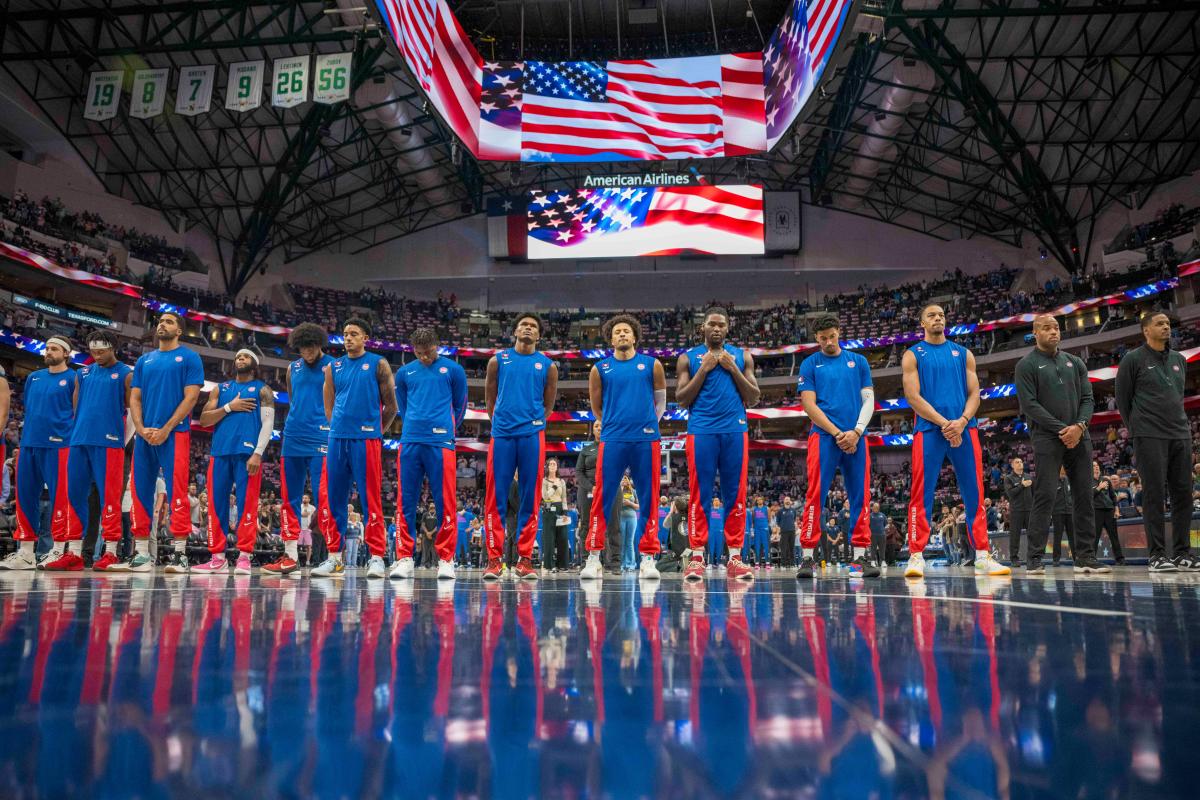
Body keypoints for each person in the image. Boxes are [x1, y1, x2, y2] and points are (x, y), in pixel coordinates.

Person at [902, 305, 1010, 578]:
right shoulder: (913, 354)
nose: (938, 318)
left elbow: (975, 394)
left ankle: (983, 555)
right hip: (929, 429)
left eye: (941, 315)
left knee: (974, 491)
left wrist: (961, 421)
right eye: (931, 315)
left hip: (965, 428)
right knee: (921, 493)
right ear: (922, 322)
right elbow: (913, 397)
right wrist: (944, 423)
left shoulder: (964, 354)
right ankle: (916, 556)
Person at [674, 306, 759, 581]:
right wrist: (705, 369)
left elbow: (754, 396)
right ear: (703, 328)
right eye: (712, 324)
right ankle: (696, 558)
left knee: (736, 493)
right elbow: (682, 399)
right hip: (701, 431)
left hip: (735, 430)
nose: (717, 329)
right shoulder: (688, 358)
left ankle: (735, 557)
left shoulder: (742, 356)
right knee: (700, 493)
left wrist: (732, 368)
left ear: (727, 328)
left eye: (721, 325)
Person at [1015, 314, 1105, 575]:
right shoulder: (1026, 365)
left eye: (1056, 327)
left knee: (1084, 496)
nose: (1054, 332)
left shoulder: (1075, 362)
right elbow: (1030, 405)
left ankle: (1085, 557)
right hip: (1046, 437)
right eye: (1047, 328)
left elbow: (1088, 398)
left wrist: (1079, 426)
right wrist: (1062, 429)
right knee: (1045, 495)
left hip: (1080, 435)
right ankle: (1034, 558)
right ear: (1035, 332)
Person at [580, 314, 665, 581]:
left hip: (646, 438)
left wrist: (648, 424)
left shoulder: (652, 365)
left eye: (626, 331)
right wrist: (614, 425)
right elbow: (597, 408)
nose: (622, 335)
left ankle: (648, 558)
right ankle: (593, 557)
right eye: (617, 331)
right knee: (602, 497)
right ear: (611, 338)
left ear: (635, 336)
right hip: (613, 438)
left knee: (649, 497)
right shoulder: (600, 369)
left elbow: (660, 404)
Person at [796, 315, 880, 579]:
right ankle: (808, 558)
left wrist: (856, 431)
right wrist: (837, 433)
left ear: (839, 332)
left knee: (860, 495)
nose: (829, 341)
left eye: (832, 336)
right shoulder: (810, 364)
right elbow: (809, 405)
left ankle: (859, 559)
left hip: (857, 436)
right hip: (823, 436)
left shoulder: (859, 361)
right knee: (815, 495)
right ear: (816, 338)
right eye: (823, 338)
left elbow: (869, 400)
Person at [313, 317, 398, 578]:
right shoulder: (332, 367)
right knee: (334, 498)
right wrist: (337, 427)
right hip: (338, 438)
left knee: (371, 497)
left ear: (365, 338)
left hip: (367, 439)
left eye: (354, 334)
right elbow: (328, 405)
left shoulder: (378, 363)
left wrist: (375, 432)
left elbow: (392, 406)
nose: (348, 338)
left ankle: (376, 557)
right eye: (345, 333)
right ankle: (334, 557)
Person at [1115, 312, 1197, 572]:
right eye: (1159, 324)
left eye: (1168, 324)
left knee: (1183, 494)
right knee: (1153, 495)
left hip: (1180, 434)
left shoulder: (1178, 360)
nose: (1166, 327)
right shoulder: (1132, 360)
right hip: (1149, 435)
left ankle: (1183, 553)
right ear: (1145, 330)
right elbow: (1122, 399)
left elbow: (1177, 397)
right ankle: (1157, 555)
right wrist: (1137, 428)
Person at [482, 314, 558, 581]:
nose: (528, 328)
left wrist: (533, 422)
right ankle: (494, 560)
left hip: (532, 435)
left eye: (533, 327)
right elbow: (490, 399)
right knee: (495, 498)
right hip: (502, 434)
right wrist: (502, 421)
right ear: (514, 331)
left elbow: (548, 405)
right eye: (524, 325)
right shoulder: (497, 361)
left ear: (538, 336)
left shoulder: (547, 366)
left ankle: (525, 559)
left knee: (530, 497)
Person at [48, 330, 132, 572]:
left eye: (101, 351)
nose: (96, 355)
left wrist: (120, 440)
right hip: (79, 441)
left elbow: (134, 411)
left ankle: (111, 552)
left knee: (110, 497)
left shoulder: (126, 374)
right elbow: (77, 406)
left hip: (109, 443)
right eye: (93, 351)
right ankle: (73, 553)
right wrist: (79, 432)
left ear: (112, 348)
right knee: (74, 496)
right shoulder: (82, 374)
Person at [389, 327, 467, 580]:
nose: (424, 357)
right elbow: (403, 406)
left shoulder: (453, 370)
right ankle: (404, 557)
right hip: (410, 440)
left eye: (429, 352)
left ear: (437, 346)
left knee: (446, 502)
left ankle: (446, 559)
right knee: (405, 501)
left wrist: (445, 429)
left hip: (441, 442)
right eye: (419, 353)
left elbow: (460, 406)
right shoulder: (404, 373)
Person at [127, 312, 203, 572]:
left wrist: (166, 428)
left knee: (177, 490)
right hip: (145, 435)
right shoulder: (144, 360)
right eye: (160, 320)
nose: (162, 323)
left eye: (169, 321)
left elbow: (191, 398)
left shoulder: (190, 357)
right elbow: (134, 398)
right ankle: (141, 554)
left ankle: (180, 555)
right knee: (140, 490)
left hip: (175, 433)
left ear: (179, 330)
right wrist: (140, 428)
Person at [192, 349, 274, 574]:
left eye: (245, 357)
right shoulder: (221, 388)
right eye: (238, 356)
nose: (240, 359)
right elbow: (205, 420)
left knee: (247, 504)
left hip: (248, 454)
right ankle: (217, 557)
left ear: (254, 364)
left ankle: (245, 556)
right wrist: (230, 407)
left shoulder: (262, 390)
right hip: (220, 453)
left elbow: (268, 424)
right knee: (217, 505)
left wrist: (258, 453)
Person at [3, 336, 77, 570]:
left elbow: (77, 412)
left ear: (66, 353)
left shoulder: (74, 378)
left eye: (54, 348)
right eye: (47, 348)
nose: (48, 351)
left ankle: (57, 549)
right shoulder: (34, 378)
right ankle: (25, 552)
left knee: (60, 498)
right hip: (29, 444)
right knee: (25, 498)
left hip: (59, 445)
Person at [269, 322, 334, 575]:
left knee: (324, 497)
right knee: (289, 498)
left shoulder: (333, 367)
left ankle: (334, 554)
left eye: (311, 346)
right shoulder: (292, 368)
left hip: (322, 436)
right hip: (293, 437)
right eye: (302, 347)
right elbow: (294, 400)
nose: (307, 351)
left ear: (319, 344)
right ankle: (290, 555)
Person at [1092, 463, 1125, 565]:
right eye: (1093, 466)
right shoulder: (1088, 481)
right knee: (1095, 536)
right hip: (1097, 511)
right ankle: (1092, 558)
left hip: (1109, 510)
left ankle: (1120, 559)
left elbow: (1113, 496)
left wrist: (1116, 509)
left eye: (1097, 465)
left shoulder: (1106, 480)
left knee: (1114, 536)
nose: (1096, 467)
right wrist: (1099, 487)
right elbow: (1088, 496)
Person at [541, 458, 569, 572]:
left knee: (563, 537)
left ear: (557, 467)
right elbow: (545, 497)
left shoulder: (561, 481)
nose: (552, 465)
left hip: (560, 509)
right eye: (550, 464)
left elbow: (564, 498)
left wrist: (565, 512)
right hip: (548, 510)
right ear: (547, 467)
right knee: (550, 538)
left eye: (554, 464)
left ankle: (562, 564)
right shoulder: (544, 481)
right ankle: (550, 565)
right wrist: (554, 486)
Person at [1003, 457, 1033, 566]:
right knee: (1015, 536)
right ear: (1012, 466)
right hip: (1016, 511)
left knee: (1032, 535)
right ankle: (1014, 559)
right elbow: (1011, 494)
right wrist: (1022, 485)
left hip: (1029, 510)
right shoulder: (1009, 478)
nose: (1020, 463)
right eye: (1017, 462)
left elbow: (1034, 493)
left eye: (1021, 462)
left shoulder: (1028, 476)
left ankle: (1032, 558)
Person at [1050, 469, 1075, 566]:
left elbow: (1073, 494)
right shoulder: (1052, 481)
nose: (1063, 472)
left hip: (1070, 512)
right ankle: (1056, 559)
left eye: (1064, 471)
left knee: (1072, 536)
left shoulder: (1069, 480)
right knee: (1057, 537)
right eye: (1061, 471)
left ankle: (1076, 558)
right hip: (1057, 512)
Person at [618, 476, 639, 572]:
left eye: (625, 479)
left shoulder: (634, 491)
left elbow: (638, 506)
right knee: (621, 542)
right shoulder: (617, 491)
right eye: (622, 479)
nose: (624, 480)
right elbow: (614, 505)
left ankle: (631, 565)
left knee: (630, 542)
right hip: (620, 517)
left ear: (629, 481)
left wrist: (629, 503)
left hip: (632, 518)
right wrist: (620, 489)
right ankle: (621, 564)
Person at [749, 495, 772, 569]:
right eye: (758, 500)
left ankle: (767, 563)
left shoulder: (767, 508)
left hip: (764, 529)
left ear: (763, 501)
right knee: (757, 547)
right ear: (756, 501)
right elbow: (752, 520)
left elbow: (769, 519)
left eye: (760, 499)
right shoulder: (754, 509)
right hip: (757, 530)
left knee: (766, 547)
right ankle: (757, 563)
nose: (759, 501)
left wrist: (765, 526)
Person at [776, 495, 798, 568]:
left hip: (792, 531)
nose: (787, 500)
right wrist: (779, 530)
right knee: (784, 548)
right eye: (786, 499)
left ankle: (792, 563)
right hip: (784, 532)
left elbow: (794, 519)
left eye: (788, 499)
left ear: (790, 501)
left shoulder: (793, 510)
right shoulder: (780, 511)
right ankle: (783, 564)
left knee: (792, 548)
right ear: (784, 501)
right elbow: (778, 522)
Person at [868, 502, 887, 567]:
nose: (876, 508)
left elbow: (885, 523)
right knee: (873, 548)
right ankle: (873, 561)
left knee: (882, 548)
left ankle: (883, 561)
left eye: (877, 507)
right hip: (873, 535)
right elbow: (868, 525)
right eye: (875, 507)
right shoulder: (870, 515)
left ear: (879, 508)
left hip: (882, 535)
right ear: (872, 508)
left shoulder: (883, 515)